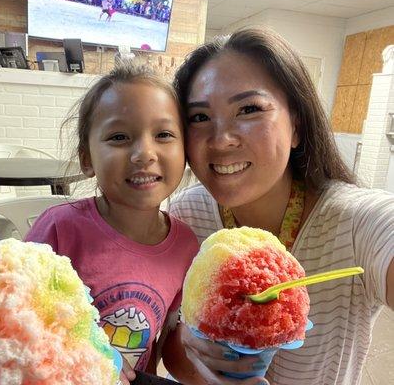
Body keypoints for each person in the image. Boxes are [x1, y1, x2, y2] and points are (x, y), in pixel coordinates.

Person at [162, 27, 394, 385]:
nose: (221, 139)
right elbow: (170, 350)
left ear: (297, 125)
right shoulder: (183, 217)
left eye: (249, 109)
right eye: (199, 117)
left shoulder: (357, 225)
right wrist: (190, 349)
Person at [25, 62, 199, 383]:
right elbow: (16, 322)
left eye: (163, 134)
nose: (144, 153)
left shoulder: (187, 246)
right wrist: (85, 357)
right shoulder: (58, 230)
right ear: (87, 158)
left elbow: (164, 339)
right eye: (119, 137)